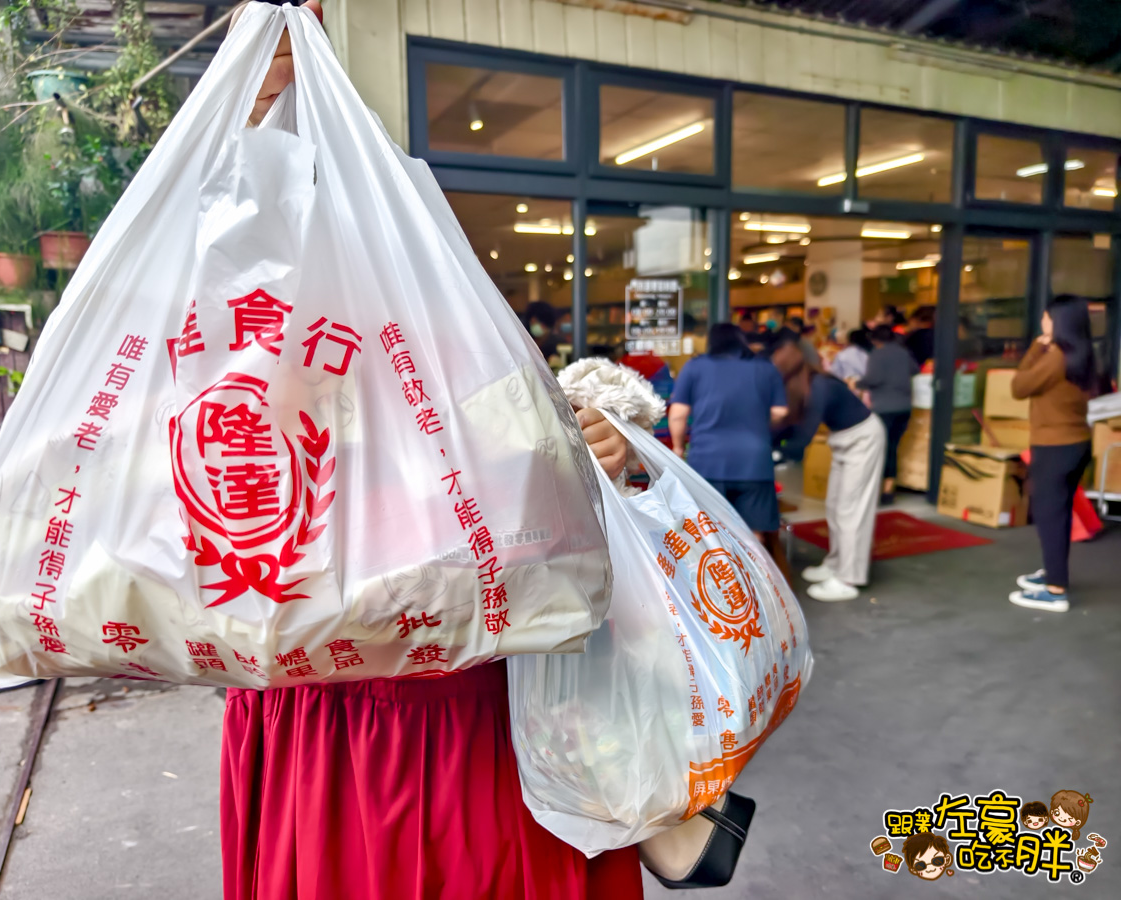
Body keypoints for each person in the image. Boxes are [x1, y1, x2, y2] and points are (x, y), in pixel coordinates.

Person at [221, 6, 645, 898]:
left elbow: (550, 495)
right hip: (335, 716)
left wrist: (598, 459)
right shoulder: (240, 361)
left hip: (480, 714)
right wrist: (257, 101)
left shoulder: (466, 357)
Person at [668, 324, 789, 576]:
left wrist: (678, 448)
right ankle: (757, 592)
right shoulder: (765, 368)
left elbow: (678, 414)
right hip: (754, 463)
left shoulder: (695, 367)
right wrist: (757, 424)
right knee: (754, 537)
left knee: (709, 533)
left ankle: (722, 596)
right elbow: (780, 412)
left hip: (707, 462)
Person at [1008, 295, 1095, 614]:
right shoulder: (1083, 354)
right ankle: (1053, 573)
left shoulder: (1055, 357)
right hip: (1076, 444)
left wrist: (1035, 347)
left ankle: (1055, 590)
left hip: (1054, 448)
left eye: (1046, 318)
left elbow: (1018, 387)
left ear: (1056, 322)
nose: (1042, 322)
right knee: (1057, 515)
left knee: (1050, 517)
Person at [779, 367, 886, 602]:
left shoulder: (819, 387)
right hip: (844, 441)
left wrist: (776, 450)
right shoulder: (810, 384)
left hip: (863, 440)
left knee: (851, 511)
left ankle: (848, 579)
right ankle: (836, 563)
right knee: (835, 506)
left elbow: (804, 434)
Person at [858, 325, 918, 503]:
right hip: (904, 408)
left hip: (884, 409)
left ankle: (877, 491)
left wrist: (857, 383)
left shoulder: (877, 354)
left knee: (880, 450)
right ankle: (889, 489)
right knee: (893, 448)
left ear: (875, 340)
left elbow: (873, 379)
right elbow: (915, 370)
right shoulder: (903, 352)